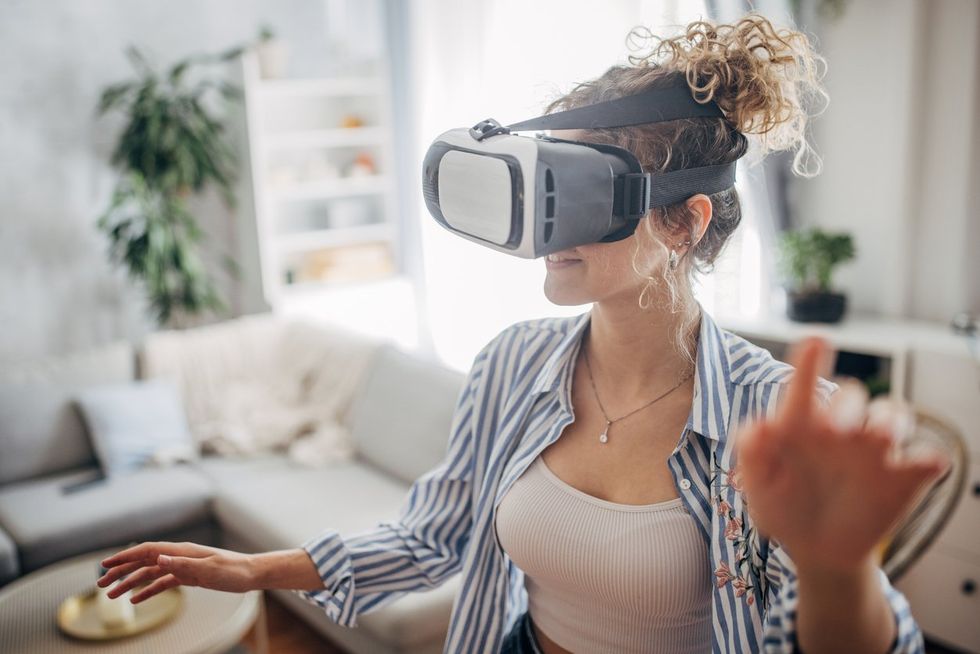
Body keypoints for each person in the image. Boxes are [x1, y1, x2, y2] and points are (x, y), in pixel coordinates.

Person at [97, 14, 946, 654]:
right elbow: (434, 534)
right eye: (543, 186)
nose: (546, 229)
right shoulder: (513, 363)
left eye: (578, 195)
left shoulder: (775, 421)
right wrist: (252, 569)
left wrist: (840, 567)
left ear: (684, 224)